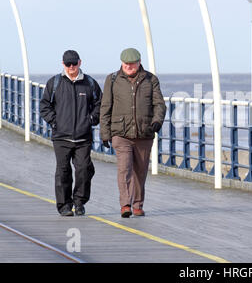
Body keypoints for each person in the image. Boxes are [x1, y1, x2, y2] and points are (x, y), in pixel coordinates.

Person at [100, 48, 166, 218]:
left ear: (139, 62)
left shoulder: (151, 79)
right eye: (126, 64)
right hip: (120, 133)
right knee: (124, 169)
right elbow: (105, 107)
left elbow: (159, 104)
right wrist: (105, 133)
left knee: (140, 171)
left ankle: (138, 205)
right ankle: (126, 204)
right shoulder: (112, 79)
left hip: (144, 133)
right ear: (121, 63)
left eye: (132, 64)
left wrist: (156, 122)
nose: (129, 67)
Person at [40, 50, 102, 216]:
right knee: (63, 172)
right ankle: (64, 206)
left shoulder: (90, 83)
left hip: (83, 137)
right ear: (63, 64)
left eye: (74, 63)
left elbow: (100, 104)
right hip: (61, 137)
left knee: (83, 170)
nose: (71, 67)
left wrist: (91, 119)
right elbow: (44, 106)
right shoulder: (54, 83)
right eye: (68, 64)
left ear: (80, 62)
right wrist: (55, 122)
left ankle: (79, 202)